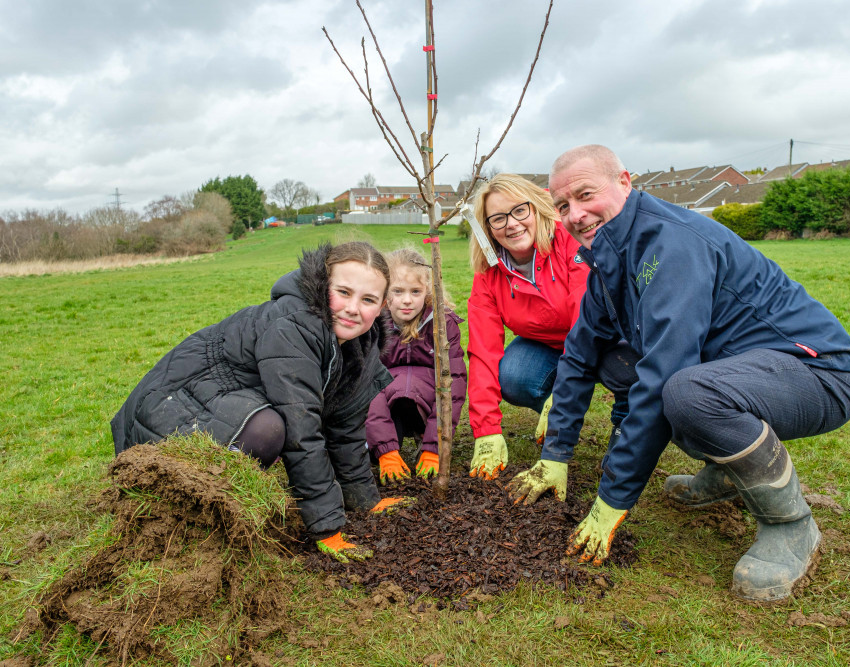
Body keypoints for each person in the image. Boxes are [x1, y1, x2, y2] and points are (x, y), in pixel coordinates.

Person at [516, 145, 850, 602]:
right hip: (739, 372)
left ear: (624, 181)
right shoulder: (607, 254)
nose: (576, 214)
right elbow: (580, 354)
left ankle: (790, 526)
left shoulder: (670, 244)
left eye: (585, 195)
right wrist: (556, 453)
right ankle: (729, 472)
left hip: (816, 372)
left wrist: (611, 499)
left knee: (684, 392)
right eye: (563, 206)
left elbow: (661, 377)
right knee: (616, 364)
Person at [110, 241, 408, 562]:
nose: (353, 308)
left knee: (273, 426)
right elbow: (301, 430)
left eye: (368, 299)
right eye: (344, 292)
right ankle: (195, 506)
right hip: (171, 409)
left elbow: (345, 426)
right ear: (322, 286)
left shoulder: (360, 344)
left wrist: (363, 498)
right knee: (268, 430)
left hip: (221, 404)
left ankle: (218, 494)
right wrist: (327, 527)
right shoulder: (294, 326)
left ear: (382, 307)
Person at [466, 173, 639, 481]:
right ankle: (558, 407)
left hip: (604, 335)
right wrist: (486, 429)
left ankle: (625, 426)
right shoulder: (488, 275)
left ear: (536, 208)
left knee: (623, 368)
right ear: (487, 228)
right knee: (514, 374)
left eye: (520, 210)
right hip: (547, 345)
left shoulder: (567, 241)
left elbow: (584, 319)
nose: (512, 224)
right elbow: (482, 351)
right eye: (498, 218)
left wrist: (563, 394)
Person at [365, 248, 467, 483]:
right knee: (383, 392)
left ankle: (425, 438)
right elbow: (366, 387)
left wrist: (435, 447)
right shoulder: (373, 326)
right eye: (398, 291)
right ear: (385, 292)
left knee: (423, 388)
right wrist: (385, 449)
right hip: (387, 404)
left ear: (428, 292)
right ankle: (387, 445)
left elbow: (452, 387)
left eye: (416, 291)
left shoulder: (443, 324)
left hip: (427, 404)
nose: (407, 300)